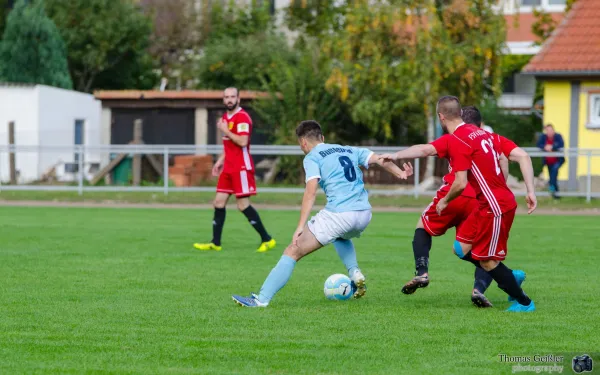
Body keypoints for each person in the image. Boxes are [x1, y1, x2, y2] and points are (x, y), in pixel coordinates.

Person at [232, 120, 413, 307]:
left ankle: (261, 300)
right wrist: (400, 173)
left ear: (303, 142)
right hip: (364, 213)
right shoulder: (348, 149)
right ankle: (354, 271)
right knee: (340, 236)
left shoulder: (312, 157)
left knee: (292, 250)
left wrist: (300, 227)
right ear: (323, 138)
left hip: (340, 214)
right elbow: (380, 158)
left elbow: (310, 192)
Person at [380, 106, 524, 308]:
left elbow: (425, 149)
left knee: (423, 225)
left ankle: (422, 273)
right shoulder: (489, 138)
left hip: (455, 193)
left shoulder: (455, 138)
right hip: (480, 200)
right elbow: (504, 164)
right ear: (480, 124)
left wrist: (396, 155)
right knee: (470, 248)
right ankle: (483, 287)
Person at [434, 96, 536, 312]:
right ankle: (509, 275)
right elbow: (523, 156)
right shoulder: (490, 138)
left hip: (495, 206)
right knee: (460, 248)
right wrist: (530, 191)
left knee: (487, 262)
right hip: (485, 206)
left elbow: (460, 183)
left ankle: (525, 303)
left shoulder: (463, 140)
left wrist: (444, 201)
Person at [194, 87, 276, 253]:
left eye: (232, 96)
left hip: (241, 168)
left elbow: (242, 141)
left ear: (238, 99)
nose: (229, 99)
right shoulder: (225, 117)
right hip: (229, 168)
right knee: (218, 202)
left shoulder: (242, 118)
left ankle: (267, 239)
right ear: (223, 100)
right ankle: (215, 243)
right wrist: (220, 161)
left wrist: (225, 130)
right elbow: (229, 145)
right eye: (226, 97)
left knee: (243, 205)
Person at [536, 124, 565, 199]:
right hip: (548, 161)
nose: (549, 132)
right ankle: (556, 195)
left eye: (550, 130)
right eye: (547, 130)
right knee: (553, 177)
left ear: (553, 130)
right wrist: (545, 147)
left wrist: (552, 146)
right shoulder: (543, 137)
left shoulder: (558, 136)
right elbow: (539, 144)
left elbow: (561, 144)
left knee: (553, 174)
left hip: (557, 161)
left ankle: (552, 189)